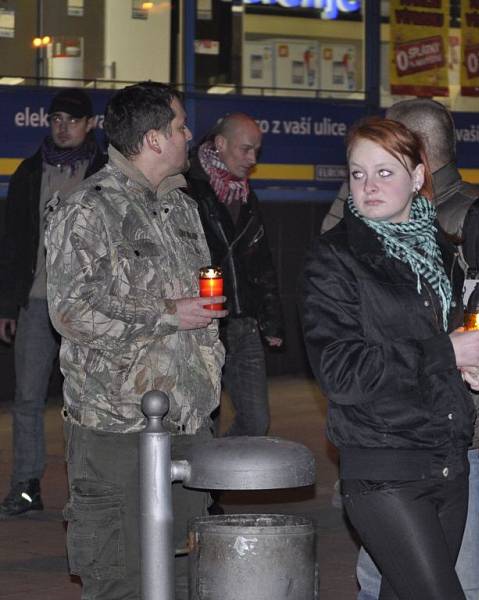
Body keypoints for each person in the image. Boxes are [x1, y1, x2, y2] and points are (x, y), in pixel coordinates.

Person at [323, 98, 479, 599]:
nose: (368, 180)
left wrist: (460, 341)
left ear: (416, 158)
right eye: (359, 170)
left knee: (469, 582)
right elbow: (341, 332)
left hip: (468, 432)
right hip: (389, 439)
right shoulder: (371, 224)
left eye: (385, 160)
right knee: (383, 579)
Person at [45, 82, 226, 599]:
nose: (189, 135)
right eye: (180, 127)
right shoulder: (87, 210)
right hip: (118, 431)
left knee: (193, 574)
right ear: (152, 139)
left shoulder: (181, 208)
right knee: (120, 579)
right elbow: (71, 313)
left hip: (188, 423)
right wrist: (170, 314)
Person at [0, 88, 106, 518]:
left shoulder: (105, 172)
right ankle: (26, 485)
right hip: (36, 302)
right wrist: (8, 305)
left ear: (90, 125)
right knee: (26, 399)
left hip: (88, 308)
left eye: (72, 119)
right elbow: (12, 245)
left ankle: (90, 489)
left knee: (87, 401)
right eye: (56, 118)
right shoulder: (28, 173)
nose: (62, 126)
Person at [185, 112, 284, 437]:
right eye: (246, 149)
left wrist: (270, 320)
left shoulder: (245, 195)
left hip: (243, 323)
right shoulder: (187, 188)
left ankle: (220, 476)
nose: (252, 159)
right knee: (202, 424)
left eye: (257, 150)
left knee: (256, 421)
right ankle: (205, 484)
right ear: (221, 144)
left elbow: (261, 261)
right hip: (203, 324)